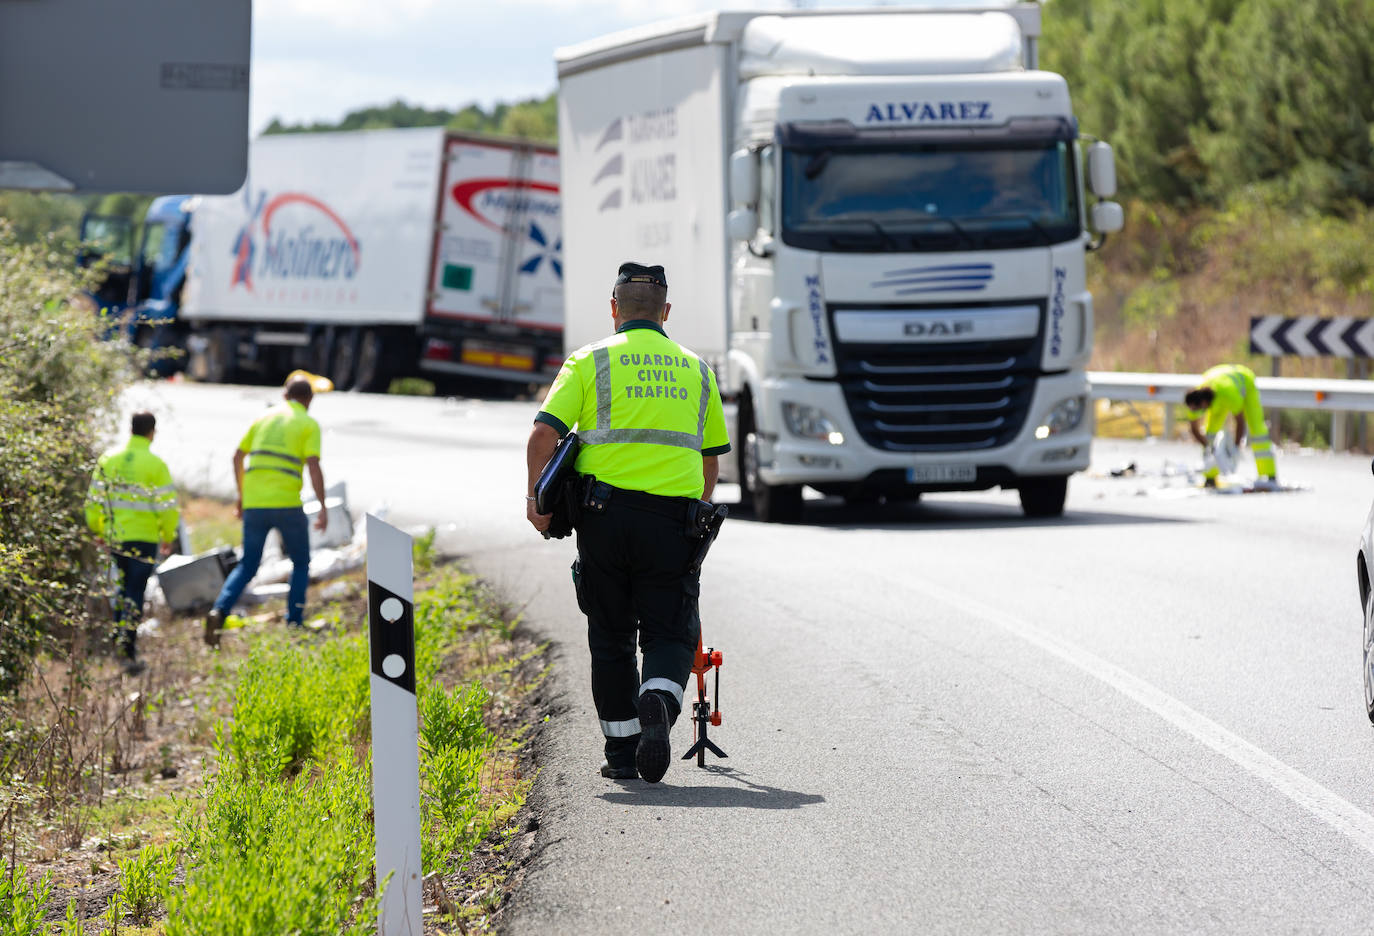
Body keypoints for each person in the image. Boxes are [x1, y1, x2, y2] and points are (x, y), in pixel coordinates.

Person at [526, 262, 731, 783]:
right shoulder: (697, 371)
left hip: (604, 518)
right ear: (666, 313)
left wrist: (537, 500)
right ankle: (659, 697)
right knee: (669, 630)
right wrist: (694, 513)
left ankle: (621, 756)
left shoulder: (589, 361)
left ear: (614, 309)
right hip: (672, 523)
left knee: (611, 635)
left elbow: (542, 438)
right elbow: (710, 460)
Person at [205, 377, 327, 645]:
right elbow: (314, 466)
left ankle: (219, 610)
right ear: (309, 400)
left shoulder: (263, 418)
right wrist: (323, 506)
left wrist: (241, 496)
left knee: (248, 564)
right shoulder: (307, 423)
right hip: (287, 504)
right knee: (300, 562)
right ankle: (294, 621)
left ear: (285, 395)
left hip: (255, 503)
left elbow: (237, 456)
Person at [85, 411, 180, 675]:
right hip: (145, 539)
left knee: (123, 588)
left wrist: (98, 530)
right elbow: (168, 506)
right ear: (152, 432)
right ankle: (127, 649)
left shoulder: (108, 459)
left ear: (131, 429)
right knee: (135, 591)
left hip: (116, 537)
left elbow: (94, 500)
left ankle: (120, 642)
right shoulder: (155, 464)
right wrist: (168, 535)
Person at [1184, 363, 1277, 488]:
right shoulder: (1195, 399)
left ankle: (1268, 475)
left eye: (1200, 409)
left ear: (1205, 403)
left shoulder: (1228, 394)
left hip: (1245, 383)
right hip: (1218, 385)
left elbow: (1240, 421)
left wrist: (1235, 447)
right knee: (1210, 433)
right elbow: (1194, 428)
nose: (1197, 412)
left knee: (1257, 430)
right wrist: (1208, 446)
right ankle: (1210, 477)